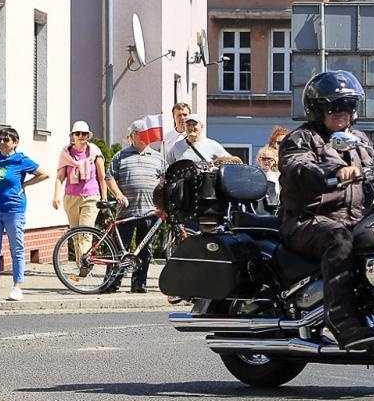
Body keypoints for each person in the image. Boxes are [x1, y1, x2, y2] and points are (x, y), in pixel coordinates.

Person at [279, 70, 374, 349]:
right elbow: (298, 166)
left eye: (350, 106)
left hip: (354, 219)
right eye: (335, 106)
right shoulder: (301, 138)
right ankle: (341, 319)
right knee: (339, 238)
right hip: (307, 221)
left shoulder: (359, 140)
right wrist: (335, 170)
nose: (344, 112)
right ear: (317, 108)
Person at [0, 127, 50, 301]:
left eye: (6, 140)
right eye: (0, 139)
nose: (2, 142)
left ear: (15, 142)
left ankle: (17, 286)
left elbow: (45, 174)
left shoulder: (21, 160)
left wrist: (25, 186)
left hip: (14, 210)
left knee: (17, 248)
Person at [106, 122, 166, 293]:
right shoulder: (121, 156)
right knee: (119, 248)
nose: (143, 137)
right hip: (126, 210)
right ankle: (111, 283)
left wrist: (162, 203)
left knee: (145, 250)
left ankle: (139, 284)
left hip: (150, 210)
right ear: (131, 136)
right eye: (139, 133)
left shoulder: (158, 157)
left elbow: (164, 181)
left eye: (145, 133)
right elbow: (109, 177)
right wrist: (118, 194)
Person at [53, 121, 105, 261]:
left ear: (88, 136)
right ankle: (80, 264)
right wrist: (56, 195)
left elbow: (102, 177)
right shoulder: (66, 154)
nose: (81, 136)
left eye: (84, 133)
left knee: (85, 232)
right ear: (73, 136)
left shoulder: (94, 152)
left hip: (91, 197)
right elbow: (60, 177)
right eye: (78, 133)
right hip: (71, 197)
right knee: (75, 234)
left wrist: (104, 198)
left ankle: (84, 262)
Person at [163, 115, 240, 166]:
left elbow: (232, 162)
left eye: (194, 124)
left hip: (204, 188)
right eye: (188, 125)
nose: (191, 128)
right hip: (184, 189)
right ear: (185, 127)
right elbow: (168, 165)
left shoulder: (212, 145)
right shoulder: (177, 146)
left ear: (201, 126)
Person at [256, 146, 280, 210]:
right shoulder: (255, 174)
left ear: (274, 161)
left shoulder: (277, 175)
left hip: (274, 205)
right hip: (259, 206)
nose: (266, 161)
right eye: (263, 158)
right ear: (259, 160)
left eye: (269, 159)